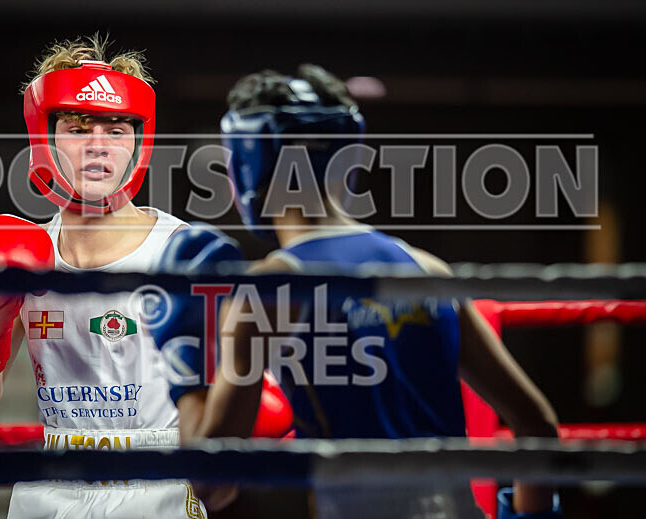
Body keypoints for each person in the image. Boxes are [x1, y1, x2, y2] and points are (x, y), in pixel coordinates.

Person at [155, 65, 561, 518]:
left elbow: (211, 485)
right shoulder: (426, 269)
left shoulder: (268, 292)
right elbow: (537, 422)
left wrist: (186, 356)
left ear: (246, 164)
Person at [0, 34, 205, 518]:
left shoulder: (182, 251)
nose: (98, 147)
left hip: (158, 484)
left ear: (138, 140)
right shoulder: (23, 254)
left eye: (116, 128)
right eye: (77, 128)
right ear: (44, 137)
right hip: (49, 488)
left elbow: (241, 391)